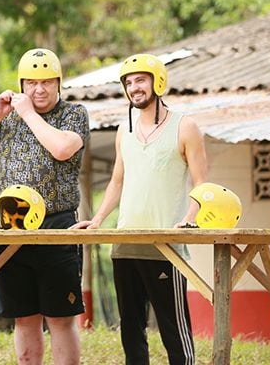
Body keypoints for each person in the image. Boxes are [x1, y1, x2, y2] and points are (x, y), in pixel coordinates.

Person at [73, 53, 208, 365]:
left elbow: (202, 184)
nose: (134, 87)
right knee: (131, 331)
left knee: (174, 329)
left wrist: (190, 219)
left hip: (165, 247)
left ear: (157, 82)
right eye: (129, 82)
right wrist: (97, 219)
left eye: (140, 80)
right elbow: (117, 181)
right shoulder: (125, 130)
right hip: (125, 245)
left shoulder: (185, 127)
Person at [0, 48, 89, 365]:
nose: (39, 89)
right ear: (22, 84)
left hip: (58, 224)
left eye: (47, 82)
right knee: (23, 316)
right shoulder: (8, 119)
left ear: (58, 82)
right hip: (11, 225)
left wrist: (29, 115)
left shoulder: (73, 114)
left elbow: (63, 149)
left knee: (61, 317)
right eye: (32, 82)